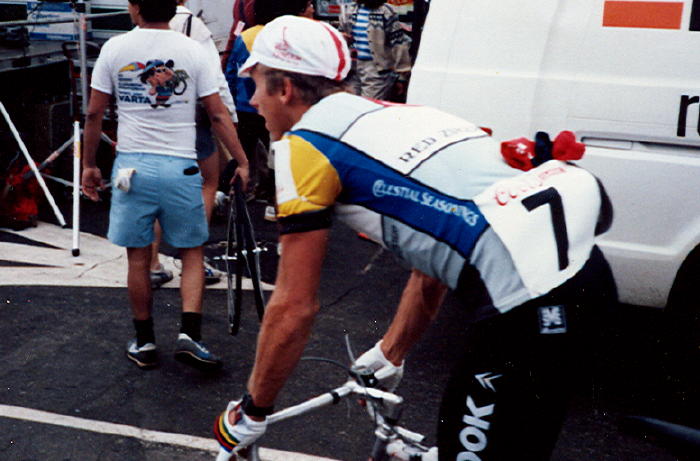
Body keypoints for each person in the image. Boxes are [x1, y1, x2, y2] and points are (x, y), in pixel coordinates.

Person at [211, 16, 618, 461]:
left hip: (529, 308)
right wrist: (391, 353)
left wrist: (254, 408)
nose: (252, 99)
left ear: (285, 89)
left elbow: (294, 306)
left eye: (255, 84)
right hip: (588, 278)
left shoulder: (304, 145)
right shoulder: (405, 115)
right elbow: (434, 256)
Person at [81, 0, 249, 371]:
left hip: (132, 170)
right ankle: (190, 334)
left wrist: (90, 164)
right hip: (182, 168)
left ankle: (144, 342)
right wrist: (241, 159)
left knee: (138, 257)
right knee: (191, 252)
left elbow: (94, 112)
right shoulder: (191, 50)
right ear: (174, 7)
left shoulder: (115, 48)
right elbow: (217, 112)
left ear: (134, 6)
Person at [148, 0, 248, 289]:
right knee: (205, 184)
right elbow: (213, 78)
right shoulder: (193, 24)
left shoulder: (141, 28)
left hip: (154, 118)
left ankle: (153, 263)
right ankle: (192, 261)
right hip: (191, 117)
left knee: (157, 189)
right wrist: (230, 116)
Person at [223, 0, 314, 211]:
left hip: (246, 106)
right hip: (275, 107)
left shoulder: (246, 35)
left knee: (243, 151)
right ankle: (275, 201)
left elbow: (231, 71)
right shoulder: (287, 34)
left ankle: (229, 192)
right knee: (278, 152)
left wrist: (232, 100)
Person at [338, 0, 411, 101]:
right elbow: (341, 32)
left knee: (368, 105)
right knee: (351, 104)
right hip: (353, 69)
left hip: (376, 71)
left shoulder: (386, 11)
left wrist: (402, 76)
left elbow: (398, 43)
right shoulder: (350, 10)